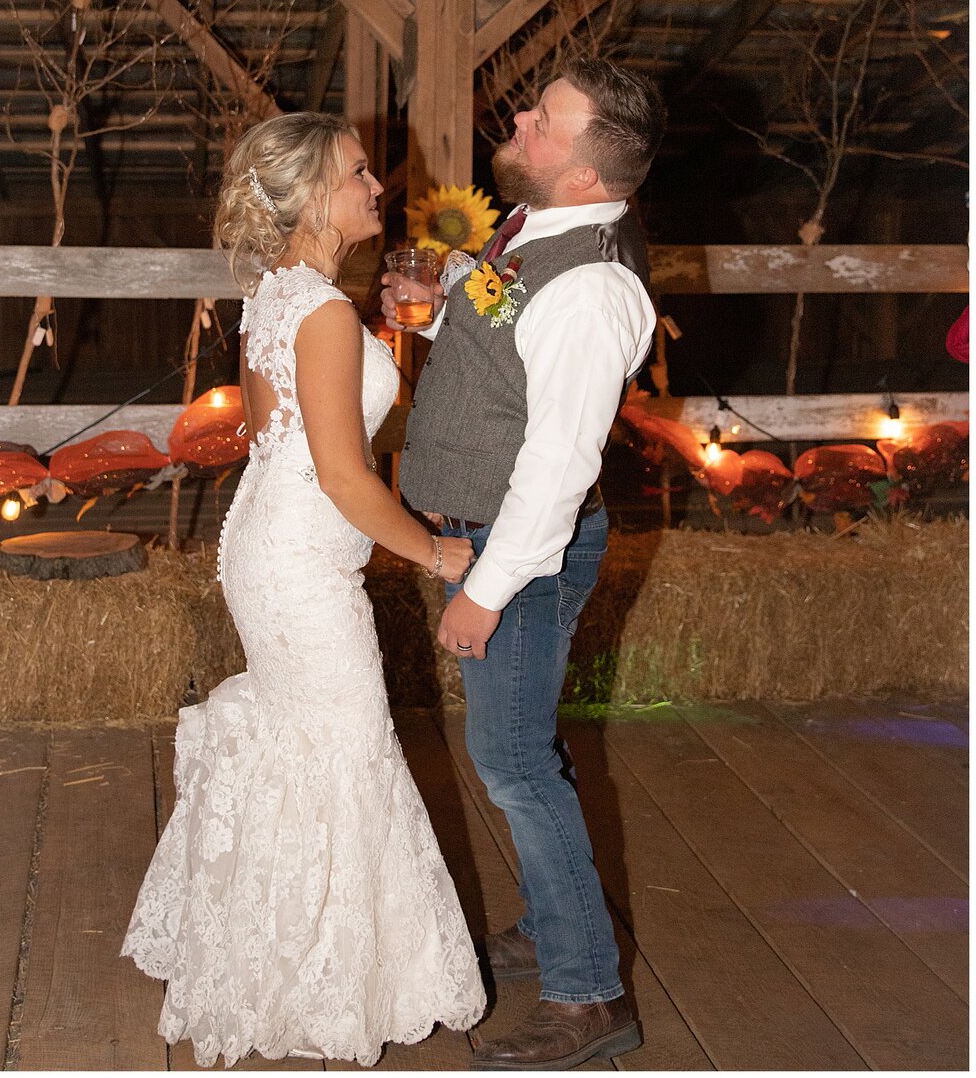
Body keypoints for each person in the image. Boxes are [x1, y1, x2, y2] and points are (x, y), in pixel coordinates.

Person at [122, 113, 485, 1069]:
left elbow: (294, 440)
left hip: (271, 545)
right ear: (314, 199)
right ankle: (314, 980)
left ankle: (270, 961)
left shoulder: (277, 296)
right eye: (357, 172)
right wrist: (436, 554)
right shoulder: (319, 311)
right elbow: (344, 476)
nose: (377, 185)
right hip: (297, 565)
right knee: (345, 745)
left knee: (307, 744)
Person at [383, 57, 666, 1072]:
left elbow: (557, 465)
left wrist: (486, 593)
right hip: (488, 535)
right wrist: (441, 300)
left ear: (586, 173)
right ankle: (554, 924)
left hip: (518, 551)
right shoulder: (532, 229)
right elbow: (508, 328)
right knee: (521, 750)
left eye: (544, 119)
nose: (520, 118)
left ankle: (589, 992)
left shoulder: (591, 287)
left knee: (510, 762)